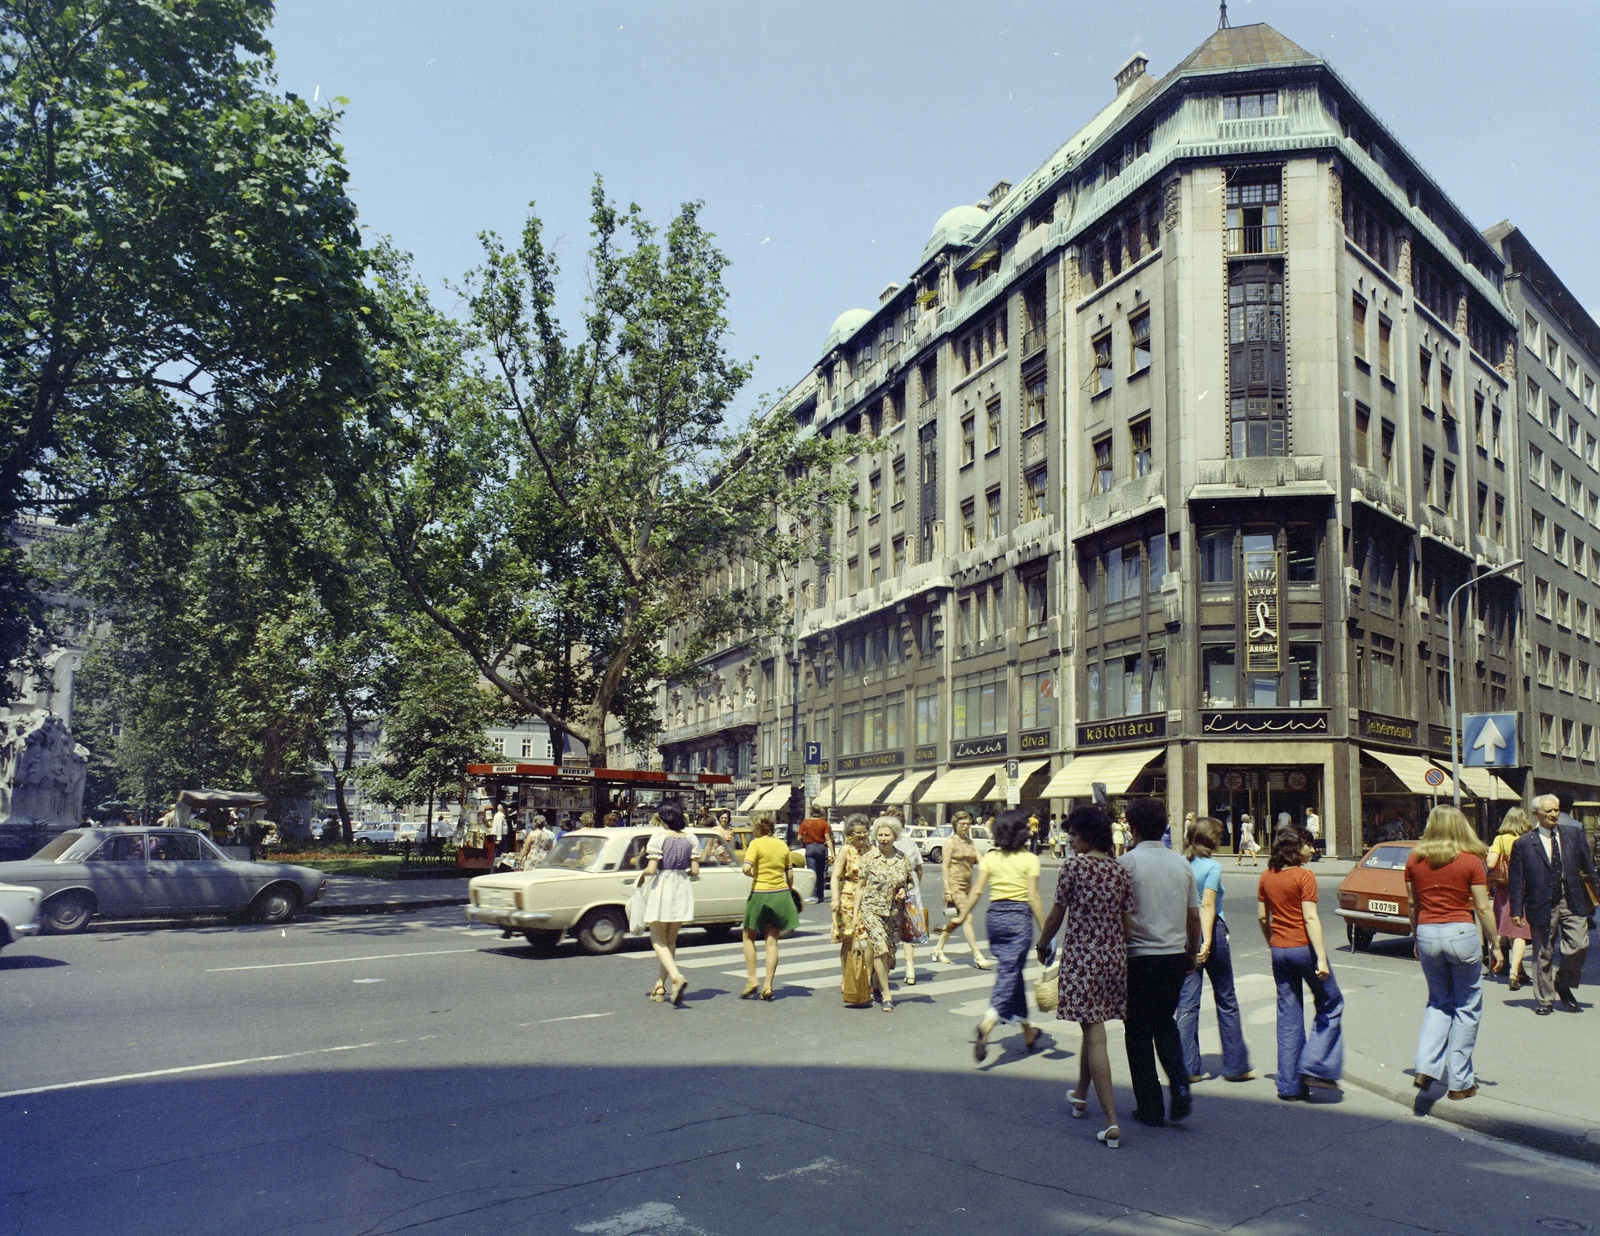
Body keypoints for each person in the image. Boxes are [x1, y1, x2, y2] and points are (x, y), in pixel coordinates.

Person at [1037, 804, 1133, 1150]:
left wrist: (1043, 943)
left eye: (1073, 835)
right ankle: (1080, 1093)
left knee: (1095, 1034)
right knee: (1090, 1025)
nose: (1069, 841)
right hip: (1113, 958)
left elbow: (1056, 913)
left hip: (1083, 959)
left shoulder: (1074, 866)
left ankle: (1111, 1121)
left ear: (1088, 836)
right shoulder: (1119, 871)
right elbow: (1126, 925)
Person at [1405, 805, 1500, 1099]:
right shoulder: (1471, 861)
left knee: (1438, 1002)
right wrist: (1495, 944)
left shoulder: (1414, 859)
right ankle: (1460, 1083)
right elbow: (1483, 907)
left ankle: (1425, 1066)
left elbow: (1412, 904)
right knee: (1467, 1005)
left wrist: (1416, 936)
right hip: (1461, 933)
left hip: (1427, 932)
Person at [1119, 798, 1201, 1127]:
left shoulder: (1126, 864)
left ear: (1133, 828)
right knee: (1165, 1022)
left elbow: (1119, 917)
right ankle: (1179, 1081)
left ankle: (1150, 1106)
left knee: (1137, 1030)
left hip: (1138, 957)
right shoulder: (1181, 864)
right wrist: (1191, 953)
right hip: (1174, 956)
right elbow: (1193, 917)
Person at [1258, 823, 1343, 1100]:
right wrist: (1321, 957)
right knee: (1331, 1003)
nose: (1313, 849)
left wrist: (1273, 940)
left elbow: (1262, 917)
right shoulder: (1304, 876)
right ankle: (1315, 1066)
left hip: (1279, 950)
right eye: (1309, 844)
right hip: (1303, 948)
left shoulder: (1266, 876)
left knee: (1288, 1015)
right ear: (1296, 848)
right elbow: (1310, 918)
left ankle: (1289, 1086)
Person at [952, 809, 1045, 1058]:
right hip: (1018, 919)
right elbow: (1034, 897)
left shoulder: (991, 858)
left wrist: (961, 916)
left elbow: (977, 891)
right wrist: (1045, 930)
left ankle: (1027, 1032)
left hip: (995, 918)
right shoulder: (1030, 860)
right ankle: (987, 1023)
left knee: (1010, 971)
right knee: (1010, 971)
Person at [1176, 816, 1253, 1084]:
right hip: (1211, 931)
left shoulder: (1182, 863)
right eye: (1219, 836)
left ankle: (1187, 1067)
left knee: (1187, 999)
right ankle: (1235, 1065)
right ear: (1212, 840)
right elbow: (1207, 905)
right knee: (1226, 997)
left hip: (1185, 931)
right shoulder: (1213, 867)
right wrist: (1207, 942)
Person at [1510, 793, 1599, 1015]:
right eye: (1548, 811)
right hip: (1541, 903)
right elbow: (1516, 879)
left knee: (1579, 944)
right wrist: (1516, 909)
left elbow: (1588, 867)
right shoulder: (1523, 843)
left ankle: (1563, 982)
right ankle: (1545, 1000)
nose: (1553, 814)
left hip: (1572, 899)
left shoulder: (1573, 834)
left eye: (1556, 810)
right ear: (1536, 814)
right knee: (1543, 952)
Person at [636, 802, 700, 1006]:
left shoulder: (659, 837)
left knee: (657, 939)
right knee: (670, 940)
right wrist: (682, 872)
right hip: (682, 887)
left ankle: (675, 976)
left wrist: (640, 875)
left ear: (663, 818)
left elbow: (652, 868)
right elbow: (696, 871)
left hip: (662, 887)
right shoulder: (691, 838)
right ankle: (661, 985)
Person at [852, 818, 913, 1010]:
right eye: (880, 835)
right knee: (881, 948)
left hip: (894, 912)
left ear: (895, 836)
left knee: (890, 954)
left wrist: (905, 890)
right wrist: (855, 915)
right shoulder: (869, 858)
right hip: (872, 910)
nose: (883, 839)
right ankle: (887, 994)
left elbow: (910, 881)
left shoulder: (903, 858)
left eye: (887, 835)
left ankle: (877, 982)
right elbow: (860, 887)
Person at [740, 813, 801, 1000]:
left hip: (760, 893)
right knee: (772, 941)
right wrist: (787, 890)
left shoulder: (756, 844)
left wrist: (756, 877)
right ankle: (768, 984)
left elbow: (746, 868)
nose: (751, 830)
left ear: (759, 828)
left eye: (753, 827)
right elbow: (789, 875)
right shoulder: (782, 845)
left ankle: (752, 979)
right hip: (780, 893)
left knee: (748, 936)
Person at [933, 812, 994, 969]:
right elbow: (945, 866)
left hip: (967, 885)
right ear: (955, 824)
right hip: (954, 885)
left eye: (968, 823)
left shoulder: (970, 843)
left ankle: (938, 949)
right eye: (962, 823)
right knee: (968, 918)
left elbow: (981, 861)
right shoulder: (950, 842)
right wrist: (947, 889)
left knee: (955, 921)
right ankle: (977, 956)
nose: (965, 826)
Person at [1486, 807, 1533, 990]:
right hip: (1525, 887)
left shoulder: (1501, 839)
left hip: (1505, 889)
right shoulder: (1529, 838)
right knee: (1520, 930)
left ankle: (1514, 969)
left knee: (1510, 928)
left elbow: (1490, 863)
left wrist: (1488, 852)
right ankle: (1516, 971)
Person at [887, 815, 928, 983]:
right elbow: (919, 869)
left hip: (891, 892)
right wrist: (915, 886)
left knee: (890, 928)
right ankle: (910, 970)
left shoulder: (885, 843)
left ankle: (889, 961)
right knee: (908, 929)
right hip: (911, 891)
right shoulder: (910, 844)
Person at [831, 815, 871, 989]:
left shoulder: (871, 849)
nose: (862, 836)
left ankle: (866, 977)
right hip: (848, 898)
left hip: (868, 898)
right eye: (858, 833)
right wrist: (834, 898)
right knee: (849, 939)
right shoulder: (845, 850)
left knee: (870, 939)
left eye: (864, 832)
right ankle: (846, 977)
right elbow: (835, 876)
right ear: (850, 833)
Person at [797, 802, 833, 904]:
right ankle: (820, 895)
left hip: (810, 847)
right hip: (821, 848)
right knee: (821, 872)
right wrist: (832, 852)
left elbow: (799, 837)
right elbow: (828, 838)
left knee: (811, 873)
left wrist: (803, 843)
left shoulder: (805, 822)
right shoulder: (824, 823)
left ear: (811, 812)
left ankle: (812, 895)